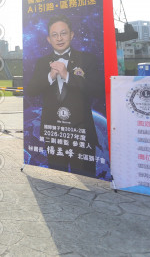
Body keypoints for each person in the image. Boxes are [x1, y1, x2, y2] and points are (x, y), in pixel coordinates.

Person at [25, 14, 104, 177]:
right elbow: (31, 91)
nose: (59, 38)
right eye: (54, 35)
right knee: (57, 178)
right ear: (48, 39)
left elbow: (98, 90)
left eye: (63, 33)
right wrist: (50, 77)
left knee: (85, 179)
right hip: (53, 132)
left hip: (81, 132)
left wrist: (67, 75)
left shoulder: (87, 59)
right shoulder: (42, 62)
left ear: (71, 35)